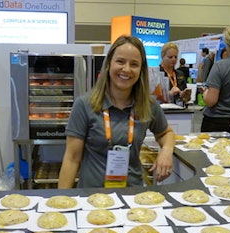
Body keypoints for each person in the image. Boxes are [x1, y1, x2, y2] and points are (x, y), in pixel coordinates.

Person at [58, 35, 175, 189]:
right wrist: (63, 199)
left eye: (134, 64)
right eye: (120, 61)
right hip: (92, 197)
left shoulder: (148, 105)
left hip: (132, 196)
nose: (126, 69)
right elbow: (72, 158)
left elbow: (165, 133)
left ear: (141, 70)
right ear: (109, 64)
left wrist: (166, 151)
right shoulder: (85, 104)